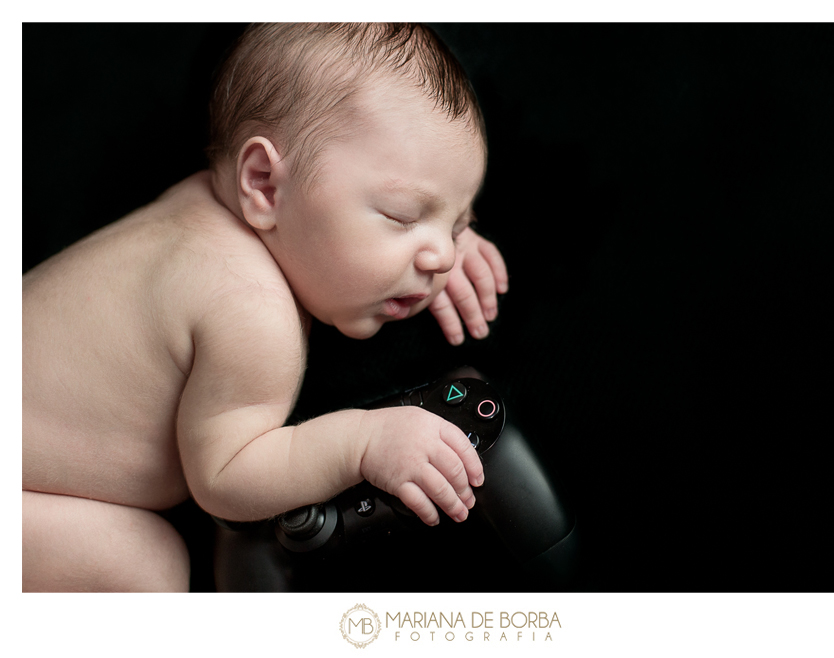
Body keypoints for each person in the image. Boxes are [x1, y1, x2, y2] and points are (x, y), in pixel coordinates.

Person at [22, 23, 508, 592]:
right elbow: (226, 476)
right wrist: (365, 442)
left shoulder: (201, 201)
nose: (443, 257)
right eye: (403, 215)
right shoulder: (249, 308)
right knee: (145, 569)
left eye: (459, 223)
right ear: (264, 184)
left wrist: (431, 229)